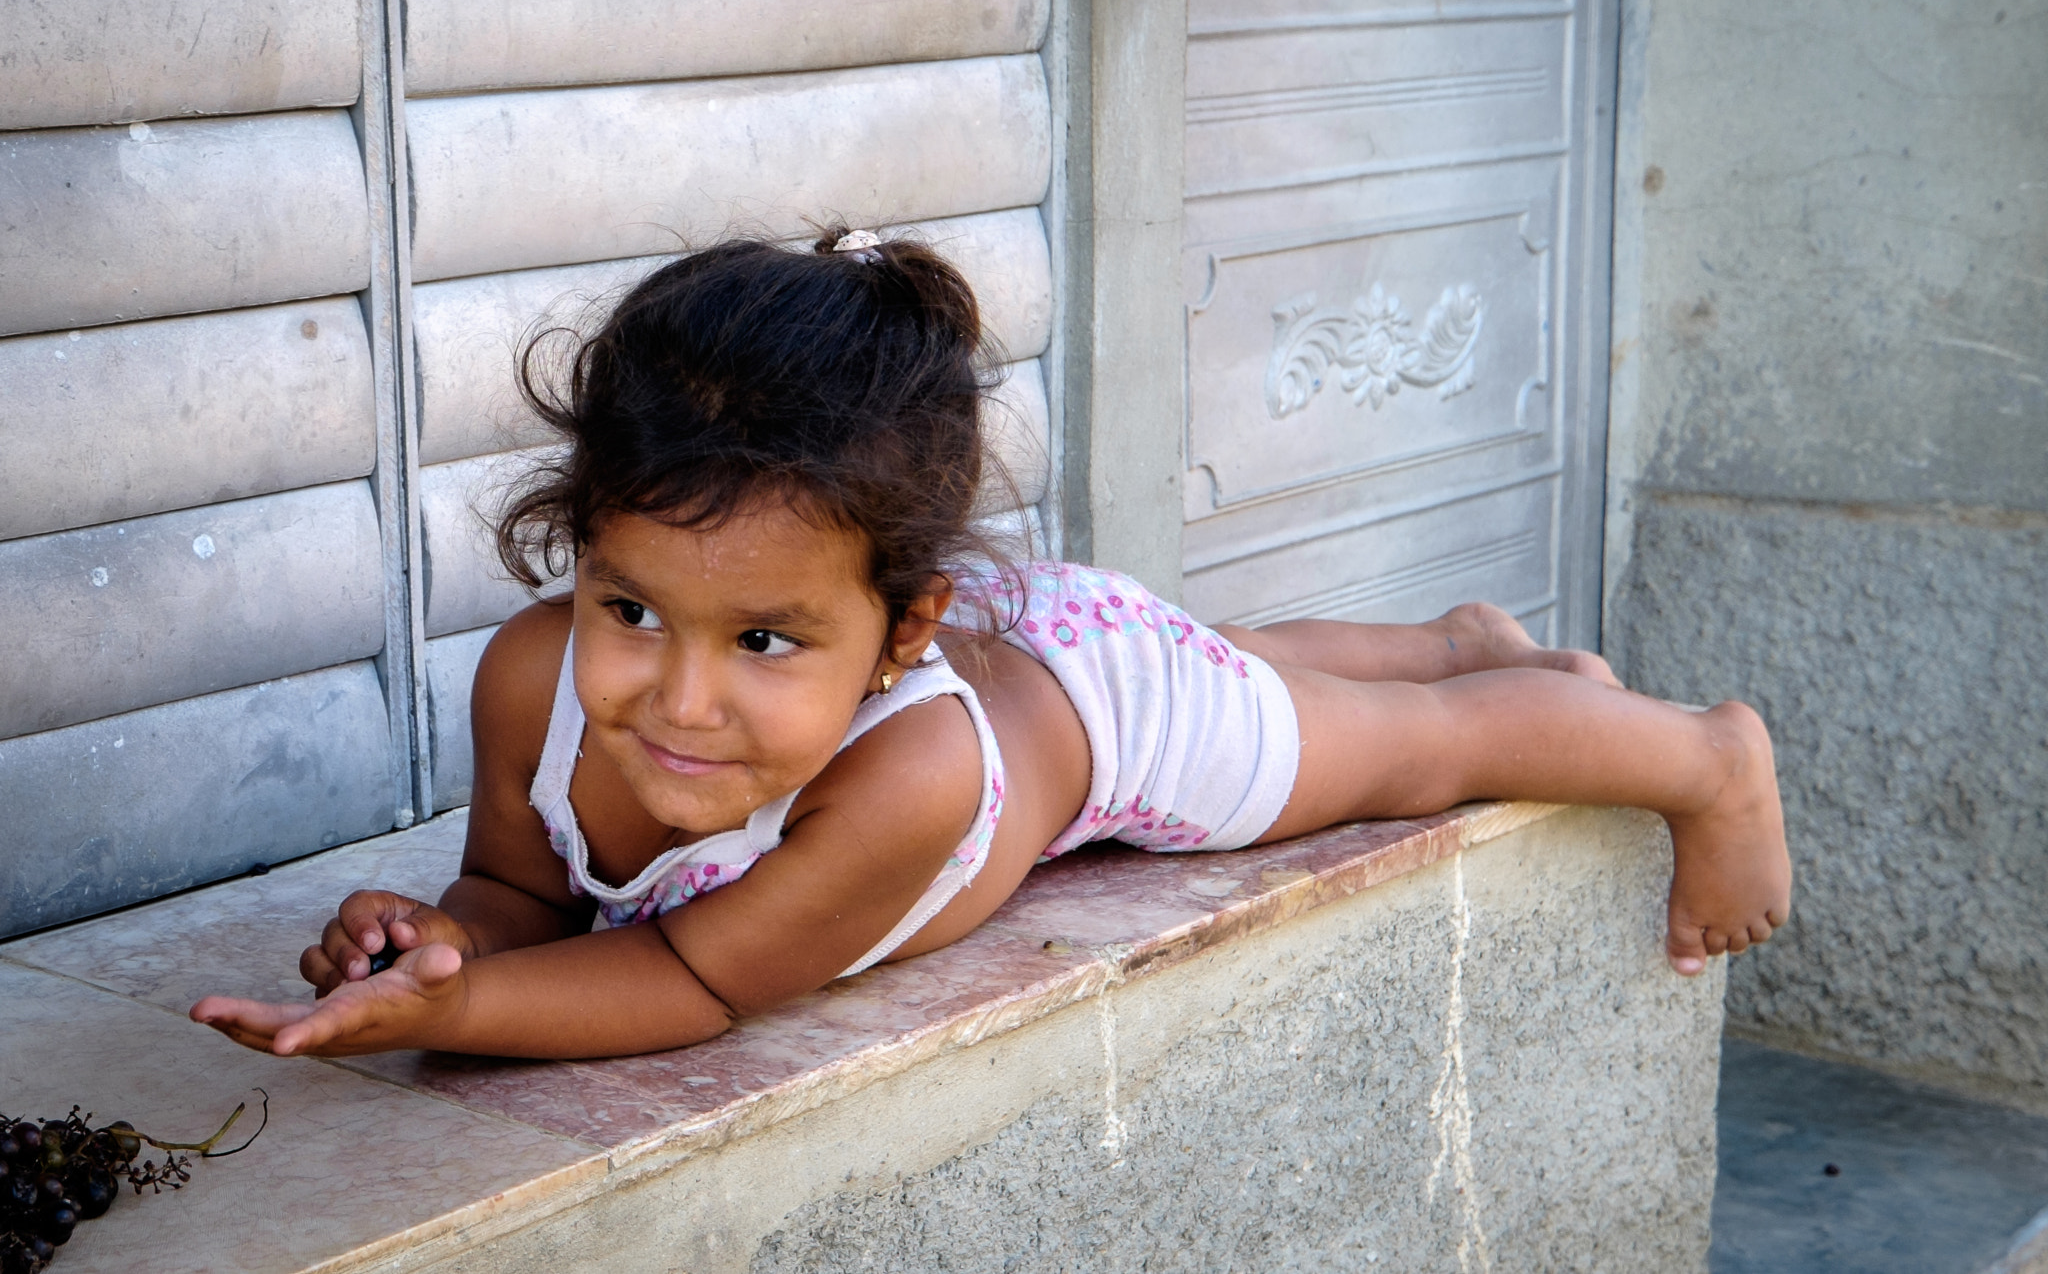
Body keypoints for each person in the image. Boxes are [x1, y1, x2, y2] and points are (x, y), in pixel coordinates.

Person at [191, 228, 1791, 1061]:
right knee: (1243, 648)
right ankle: (1452, 637)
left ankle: (1692, 747)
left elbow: (685, 975)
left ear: (900, 635)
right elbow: (528, 894)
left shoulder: (910, 779)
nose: (677, 695)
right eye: (629, 609)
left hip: (1098, 711)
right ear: (583, 555)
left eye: (759, 638)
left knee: (1386, 751)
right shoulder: (532, 683)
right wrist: (442, 943)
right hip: (1037, 629)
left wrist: (461, 1021)